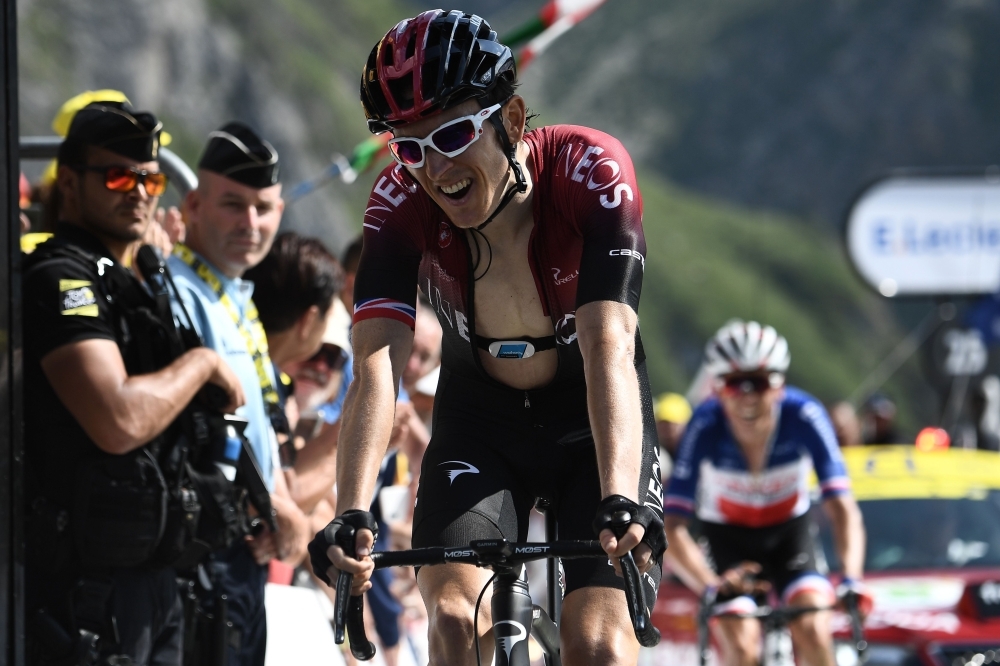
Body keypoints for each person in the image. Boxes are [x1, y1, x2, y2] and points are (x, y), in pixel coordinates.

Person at [308, 10, 666, 665]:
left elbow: (608, 342)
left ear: (511, 119)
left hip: (591, 416)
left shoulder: (589, 169)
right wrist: (351, 512)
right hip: (481, 419)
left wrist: (619, 497)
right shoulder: (397, 201)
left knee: (598, 646)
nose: (433, 168)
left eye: (450, 135)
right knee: (451, 624)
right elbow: (375, 369)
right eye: (408, 147)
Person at [23, 101, 245, 666]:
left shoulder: (140, 283)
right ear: (69, 182)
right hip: (86, 592)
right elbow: (117, 420)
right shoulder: (61, 279)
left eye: (151, 178)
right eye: (119, 176)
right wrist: (200, 365)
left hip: (156, 579)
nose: (140, 192)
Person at [167, 121, 310, 666]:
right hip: (205, 552)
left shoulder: (234, 295)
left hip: (243, 550)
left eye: (265, 207)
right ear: (195, 206)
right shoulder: (180, 291)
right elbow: (203, 429)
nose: (251, 223)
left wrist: (280, 504)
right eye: (233, 204)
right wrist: (276, 506)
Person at [663, 321, 869, 666]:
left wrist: (851, 578)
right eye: (733, 384)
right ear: (717, 388)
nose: (746, 397)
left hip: (789, 536)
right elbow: (675, 525)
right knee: (741, 648)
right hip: (728, 542)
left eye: (758, 383)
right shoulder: (704, 424)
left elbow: (842, 508)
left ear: (778, 385)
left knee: (814, 632)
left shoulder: (805, 414)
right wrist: (708, 584)